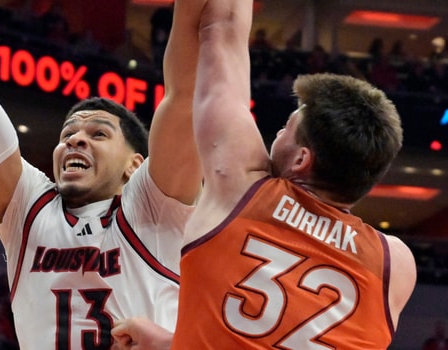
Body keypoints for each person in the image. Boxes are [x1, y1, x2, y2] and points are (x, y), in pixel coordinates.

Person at [112, 0, 417, 349]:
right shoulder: (396, 264)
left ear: (302, 159)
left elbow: (220, 29)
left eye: (287, 128)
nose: (277, 134)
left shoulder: (240, 186)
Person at [0, 0, 201, 347]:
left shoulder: (155, 208)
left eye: (98, 134)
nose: (76, 139)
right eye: (67, 135)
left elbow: (187, 96)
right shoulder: (28, 208)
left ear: (135, 165)